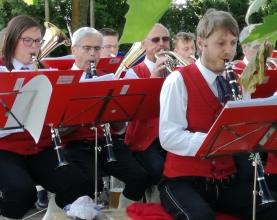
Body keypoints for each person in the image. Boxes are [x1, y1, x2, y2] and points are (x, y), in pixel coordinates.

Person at [158, 8, 277, 220]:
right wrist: (216, 141)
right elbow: (168, 136)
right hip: (183, 181)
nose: (228, 52)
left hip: (227, 181)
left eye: (232, 43)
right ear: (201, 43)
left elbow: (247, 129)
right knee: (200, 217)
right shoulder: (178, 81)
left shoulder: (241, 82)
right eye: (220, 43)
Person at [0, 15, 91, 219]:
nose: (34, 47)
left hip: (39, 146)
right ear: (13, 40)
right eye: (28, 41)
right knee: (21, 192)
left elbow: (60, 116)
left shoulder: (48, 73)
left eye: (38, 41)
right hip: (4, 148)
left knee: (78, 184)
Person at [62, 27, 151, 209]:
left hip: (106, 141)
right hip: (75, 145)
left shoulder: (108, 78)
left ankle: (121, 214)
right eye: (87, 48)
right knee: (91, 184)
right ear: (74, 50)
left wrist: (111, 111)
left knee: (140, 177)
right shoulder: (64, 80)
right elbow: (58, 130)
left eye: (97, 49)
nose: (93, 54)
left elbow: (120, 129)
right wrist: (86, 115)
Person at [122, 23, 170, 203]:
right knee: (159, 169)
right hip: (144, 140)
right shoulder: (132, 74)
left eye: (165, 39)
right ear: (143, 45)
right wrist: (154, 79)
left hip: (171, 135)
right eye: (155, 40)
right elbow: (134, 113)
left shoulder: (179, 70)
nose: (161, 44)